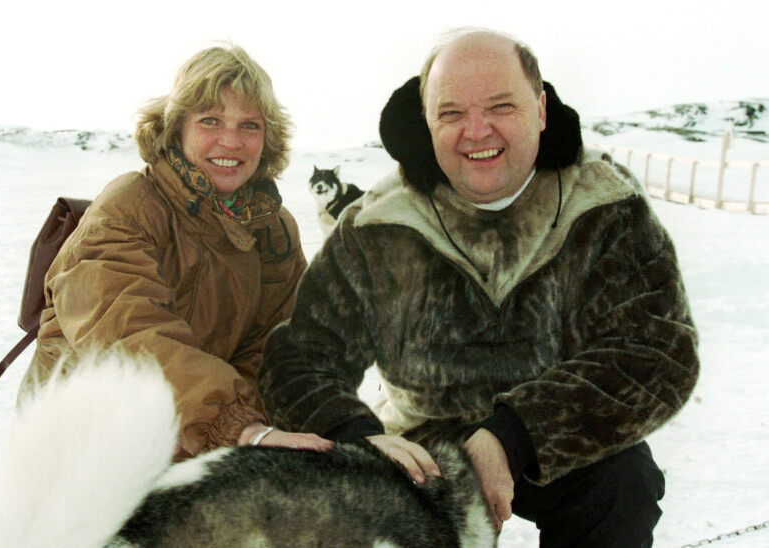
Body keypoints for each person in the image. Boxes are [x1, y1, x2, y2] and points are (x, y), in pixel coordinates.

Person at [258, 29, 699, 547]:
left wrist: (514, 435)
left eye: (500, 106)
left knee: (623, 482)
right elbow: (300, 357)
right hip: (423, 446)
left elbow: (657, 351)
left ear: (539, 109)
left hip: (560, 437)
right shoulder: (379, 226)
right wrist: (357, 438)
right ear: (426, 122)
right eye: (450, 113)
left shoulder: (601, 206)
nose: (476, 130)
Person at [18, 44, 332, 459]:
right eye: (210, 120)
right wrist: (233, 425)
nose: (231, 141)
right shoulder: (129, 205)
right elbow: (126, 329)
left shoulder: (272, 228)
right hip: (83, 440)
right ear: (175, 129)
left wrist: (247, 423)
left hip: (196, 433)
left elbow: (278, 343)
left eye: (250, 125)